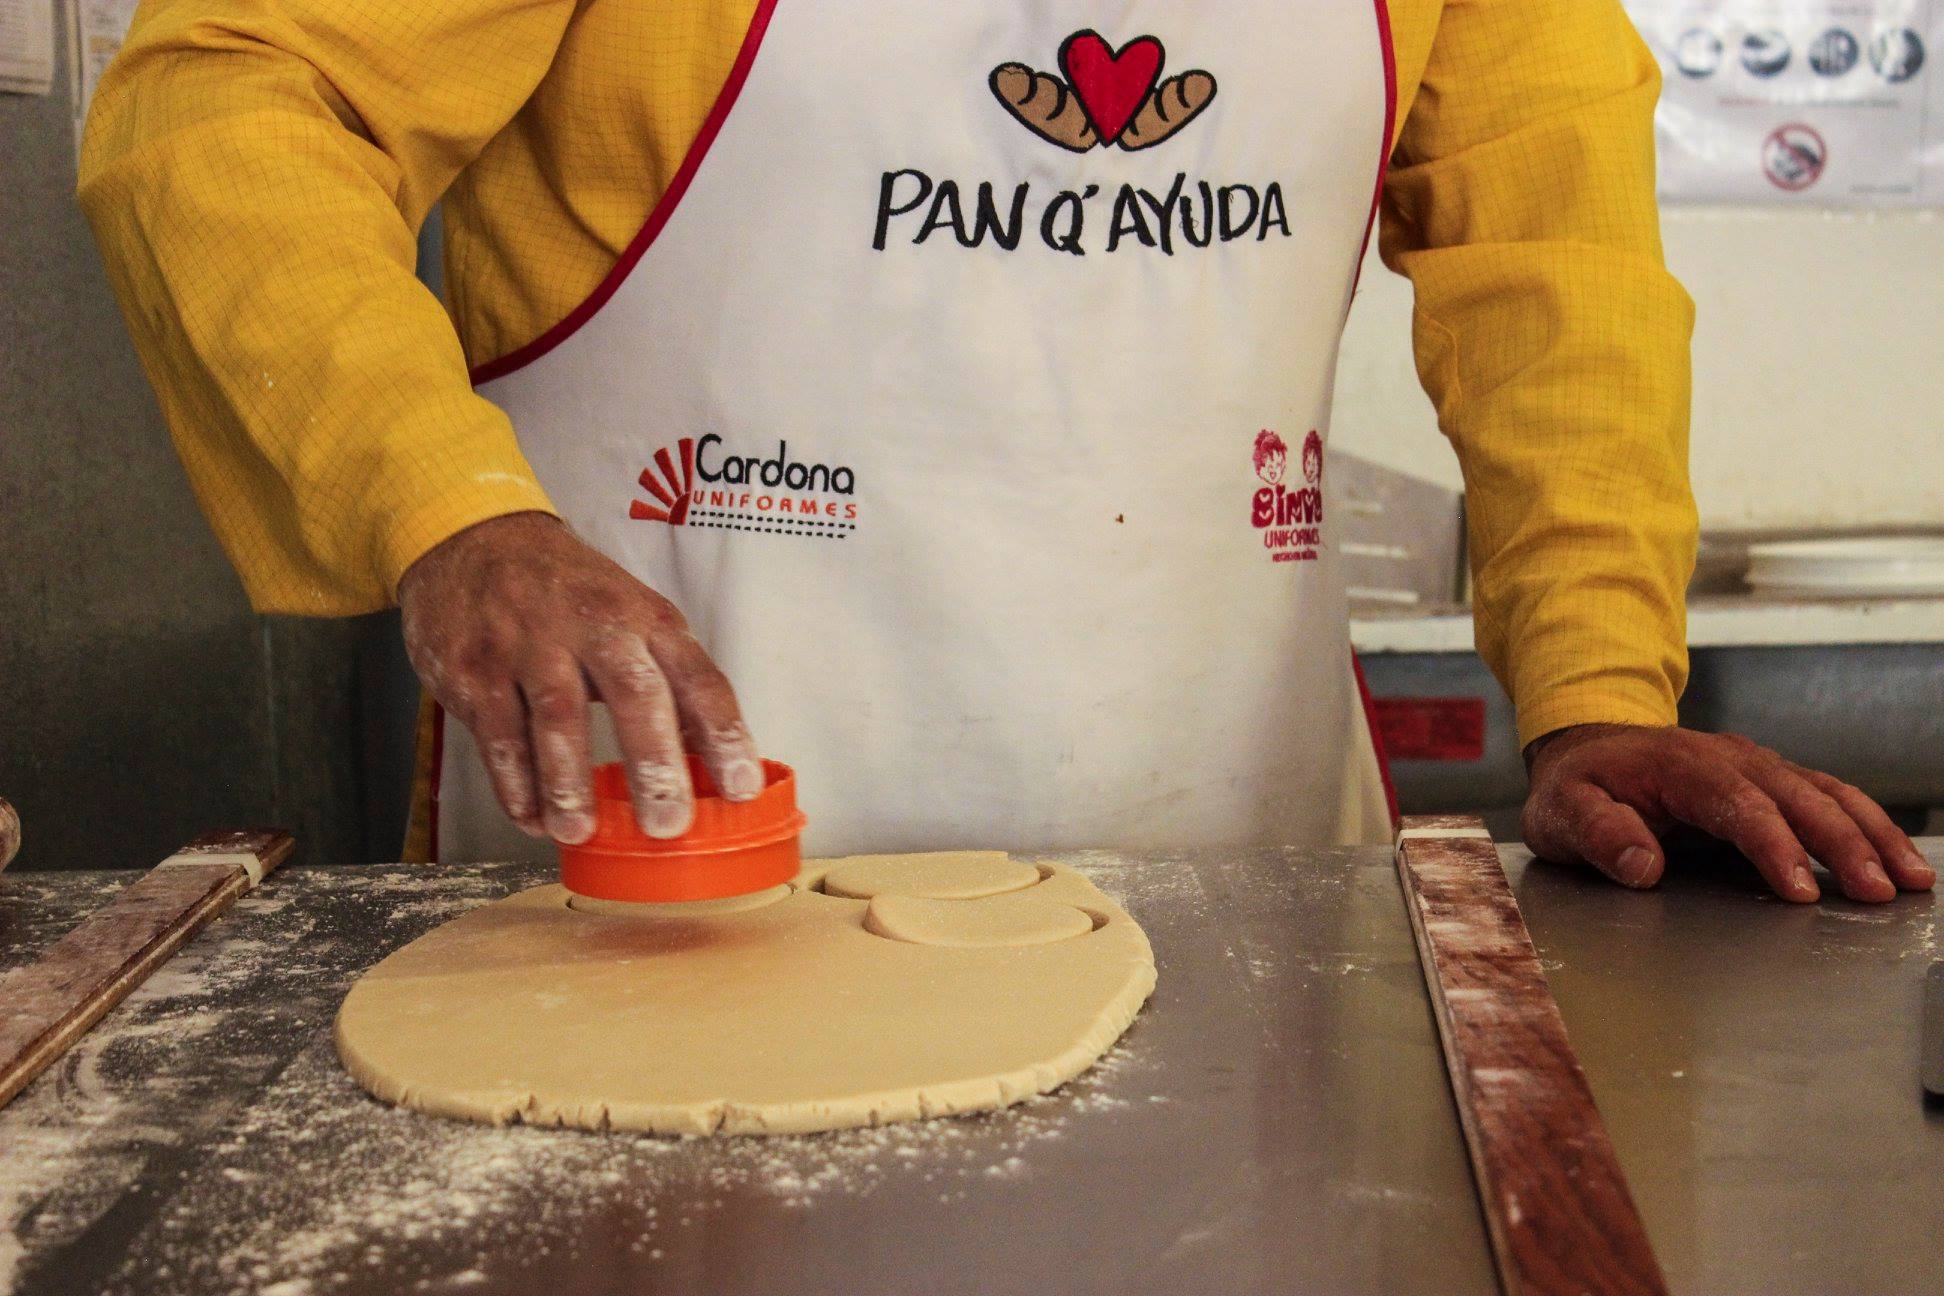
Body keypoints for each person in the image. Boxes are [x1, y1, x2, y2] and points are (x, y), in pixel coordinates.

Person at [79, 0, 1933, 903]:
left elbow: (1564, 277)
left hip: (1238, 885)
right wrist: (447, 513)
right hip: (657, 859)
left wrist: (1604, 691)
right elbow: (231, 101)